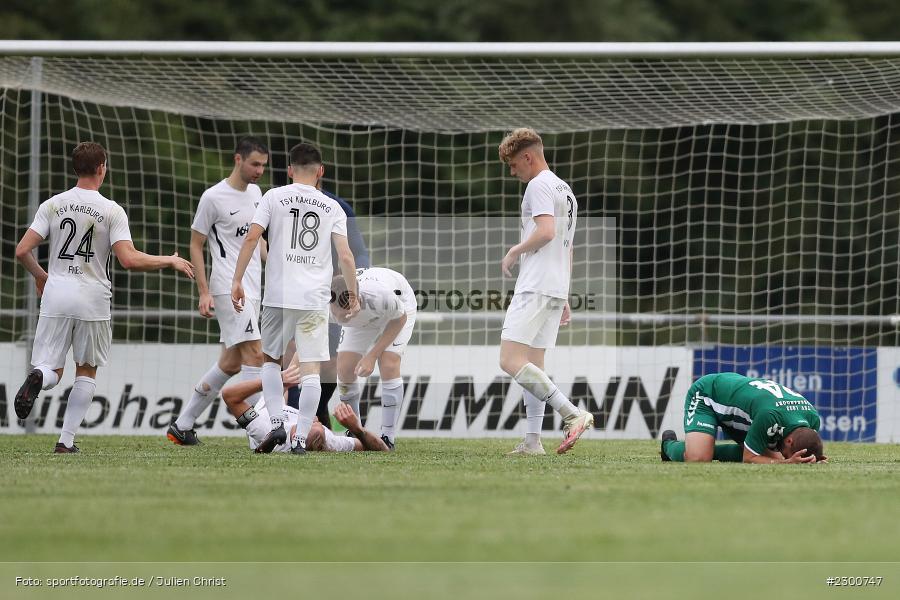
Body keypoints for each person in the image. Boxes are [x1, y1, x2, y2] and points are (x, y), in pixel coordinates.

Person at [13, 142, 194, 453]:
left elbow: (21, 250)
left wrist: (41, 276)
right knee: (86, 369)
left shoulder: (53, 204)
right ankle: (65, 441)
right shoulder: (111, 210)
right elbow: (129, 259)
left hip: (56, 295)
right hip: (92, 298)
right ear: (101, 168)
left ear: (76, 168)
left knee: (51, 369)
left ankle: (38, 377)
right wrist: (169, 260)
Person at [231, 142, 359, 454]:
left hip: (278, 295)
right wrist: (353, 294)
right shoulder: (332, 207)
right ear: (321, 171)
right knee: (311, 369)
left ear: (289, 170)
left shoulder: (273, 196)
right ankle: (300, 437)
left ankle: (277, 423)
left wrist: (237, 280)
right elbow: (345, 255)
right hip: (314, 299)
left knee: (271, 360)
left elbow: (251, 238)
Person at [496, 128, 593, 456]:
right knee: (533, 365)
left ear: (528, 157)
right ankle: (533, 441)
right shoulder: (565, 189)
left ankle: (572, 413)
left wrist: (514, 251)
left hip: (535, 284)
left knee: (510, 360)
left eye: (513, 165)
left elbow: (548, 232)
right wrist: (564, 294)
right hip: (554, 286)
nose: (513, 172)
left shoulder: (538, 185)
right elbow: (568, 246)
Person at [167, 136, 269, 446]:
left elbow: (258, 242)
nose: (259, 171)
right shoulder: (213, 197)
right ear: (238, 159)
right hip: (227, 288)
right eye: (255, 164)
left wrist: (279, 268)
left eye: (263, 166)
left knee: (230, 363)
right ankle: (260, 435)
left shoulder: (257, 194)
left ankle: (182, 426)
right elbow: (195, 244)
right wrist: (204, 291)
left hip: (253, 287)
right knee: (255, 354)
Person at [285, 186, 370, 427]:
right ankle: (294, 419)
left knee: (331, 362)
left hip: (329, 294)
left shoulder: (339, 207)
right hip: (292, 291)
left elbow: (359, 253)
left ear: (320, 171)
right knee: (293, 352)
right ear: (290, 171)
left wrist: (356, 281)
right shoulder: (281, 202)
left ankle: (319, 410)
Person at [330, 267, 417, 450]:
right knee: (344, 368)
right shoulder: (322, 303)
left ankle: (388, 437)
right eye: (337, 313)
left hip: (399, 308)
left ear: (356, 300)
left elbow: (399, 320)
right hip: (364, 315)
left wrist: (372, 355)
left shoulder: (380, 297)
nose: (341, 318)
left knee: (388, 363)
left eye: (346, 313)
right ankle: (355, 432)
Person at [660, 372, 827, 464]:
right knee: (699, 459)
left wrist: (814, 458)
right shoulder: (770, 416)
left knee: (770, 459)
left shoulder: (813, 419)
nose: (786, 456)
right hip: (708, 394)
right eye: (788, 453)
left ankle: (708, 449)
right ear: (789, 441)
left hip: (742, 410)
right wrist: (786, 463)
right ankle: (668, 445)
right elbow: (749, 458)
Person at [221, 369, 388, 452]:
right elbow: (382, 449)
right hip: (286, 407)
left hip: (269, 406)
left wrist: (276, 379)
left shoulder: (264, 431)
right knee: (308, 360)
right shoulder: (330, 441)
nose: (314, 419)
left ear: (296, 438)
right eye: (318, 424)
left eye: (311, 424)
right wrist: (358, 430)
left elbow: (230, 396)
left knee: (284, 364)